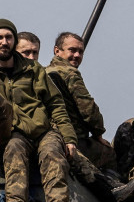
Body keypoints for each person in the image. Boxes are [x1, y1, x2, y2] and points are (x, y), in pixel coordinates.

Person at [0, 19, 79, 202]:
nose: (4, 42)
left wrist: (70, 138)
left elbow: (56, 104)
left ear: (14, 40)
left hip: (43, 129)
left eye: (8, 37)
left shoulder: (33, 69)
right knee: (13, 148)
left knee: (53, 152)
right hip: (15, 132)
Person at [46, 32, 116, 169]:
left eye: (80, 52)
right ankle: (112, 187)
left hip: (51, 137)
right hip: (73, 139)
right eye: (72, 50)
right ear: (57, 51)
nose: (77, 55)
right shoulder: (70, 73)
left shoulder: (43, 72)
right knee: (109, 153)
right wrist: (98, 133)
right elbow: (88, 108)